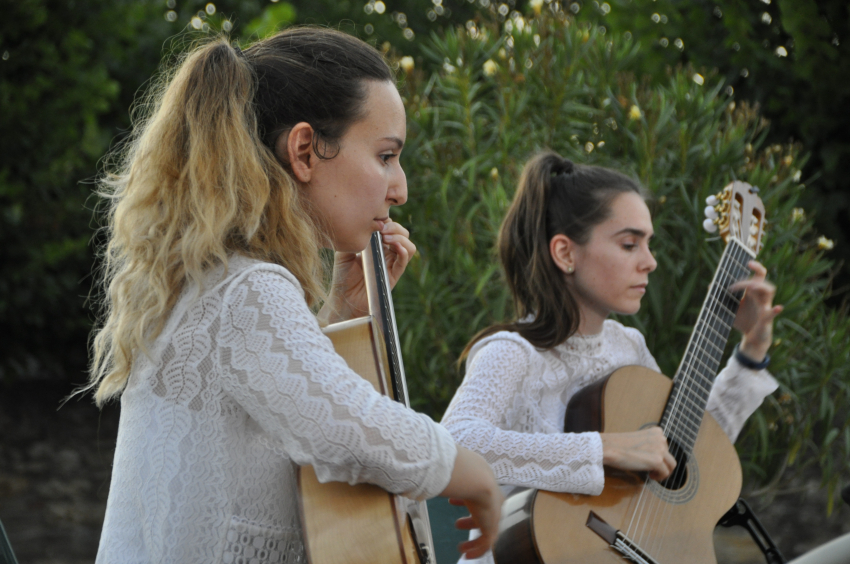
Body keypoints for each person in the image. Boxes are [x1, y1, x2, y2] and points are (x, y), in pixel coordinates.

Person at [86, 27, 503, 564]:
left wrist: (343, 312)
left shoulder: (214, 277)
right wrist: (472, 473)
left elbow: (278, 406)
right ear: (305, 150)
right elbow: (343, 429)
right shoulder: (248, 288)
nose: (400, 188)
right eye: (385, 156)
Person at [441, 151, 782, 563]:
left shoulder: (629, 347)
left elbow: (686, 454)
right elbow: (454, 443)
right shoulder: (513, 353)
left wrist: (752, 350)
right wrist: (604, 449)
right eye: (629, 244)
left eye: (648, 244)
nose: (650, 262)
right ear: (565, 253)